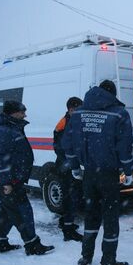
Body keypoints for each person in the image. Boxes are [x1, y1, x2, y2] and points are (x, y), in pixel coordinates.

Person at [62, 80, 133, 265]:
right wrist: (128, 171)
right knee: (110, 217)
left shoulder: (77, 114)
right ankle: (108, 263)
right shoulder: (119, 114)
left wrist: (75, 167)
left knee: (91, 215)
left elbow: (68, 144)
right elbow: (124, 145)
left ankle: (86, 258)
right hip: (109, 174)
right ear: (112, 93)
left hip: (89, 174)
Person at [0, 100, 54, 256]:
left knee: (6, 212)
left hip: (12, 180)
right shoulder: (2, 131)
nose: (25, 114)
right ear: (13, 113)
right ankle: (32, 245)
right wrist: (6, 182)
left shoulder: (10, 127)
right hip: (8, 182)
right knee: (22, 212)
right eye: (22, 111)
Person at [53, 96, 83, 241]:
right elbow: (61, 147)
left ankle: (64, 222)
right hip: (66, 166)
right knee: (71, 197)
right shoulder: (65, 124)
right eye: (78, 109)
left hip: (67, 164)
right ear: (71, 109)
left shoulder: (70, 121)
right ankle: (68, 230)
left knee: (70, 195)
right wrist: (72, 162)